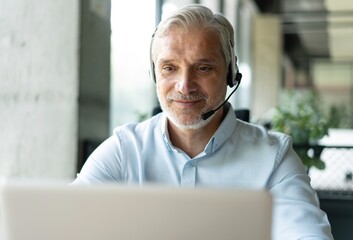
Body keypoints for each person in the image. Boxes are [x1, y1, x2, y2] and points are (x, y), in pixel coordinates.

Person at [73, 4, 333, 240]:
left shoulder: (273, 158)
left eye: (203, 68)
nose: (185, 86)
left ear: (231, 72)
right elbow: (68, 225)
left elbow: (307, 234)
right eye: (169, 68)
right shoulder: (123, 151)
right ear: (154, 73)